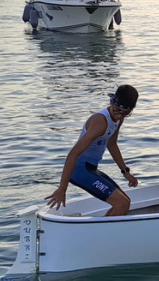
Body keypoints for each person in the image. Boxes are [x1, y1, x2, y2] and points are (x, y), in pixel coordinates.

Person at [45, 85, 140, 216]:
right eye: (117, 111)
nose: (119, 116)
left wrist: (125, 172)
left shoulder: (119, 117)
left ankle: (104, 228)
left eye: (125, 113)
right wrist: (62, 188)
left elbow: (112, 144)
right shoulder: (100, 122)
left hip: (90, 168)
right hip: (79, 170)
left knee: (125, 202)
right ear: (111, 102)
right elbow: (73, 154)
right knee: (121, 203)